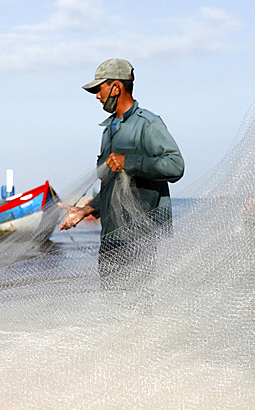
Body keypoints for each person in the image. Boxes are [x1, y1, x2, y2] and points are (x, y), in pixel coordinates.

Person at [61, 59, 184, 291]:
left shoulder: (148, 124)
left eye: (100, 89)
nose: (97, 95)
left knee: (137, 309)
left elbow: (175, 165)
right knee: (111, 309)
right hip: (109, 238)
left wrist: (129, 162)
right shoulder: (108, 130)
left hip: (138, 239)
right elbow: (112, 186)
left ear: (116, 87)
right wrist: (85, 210)